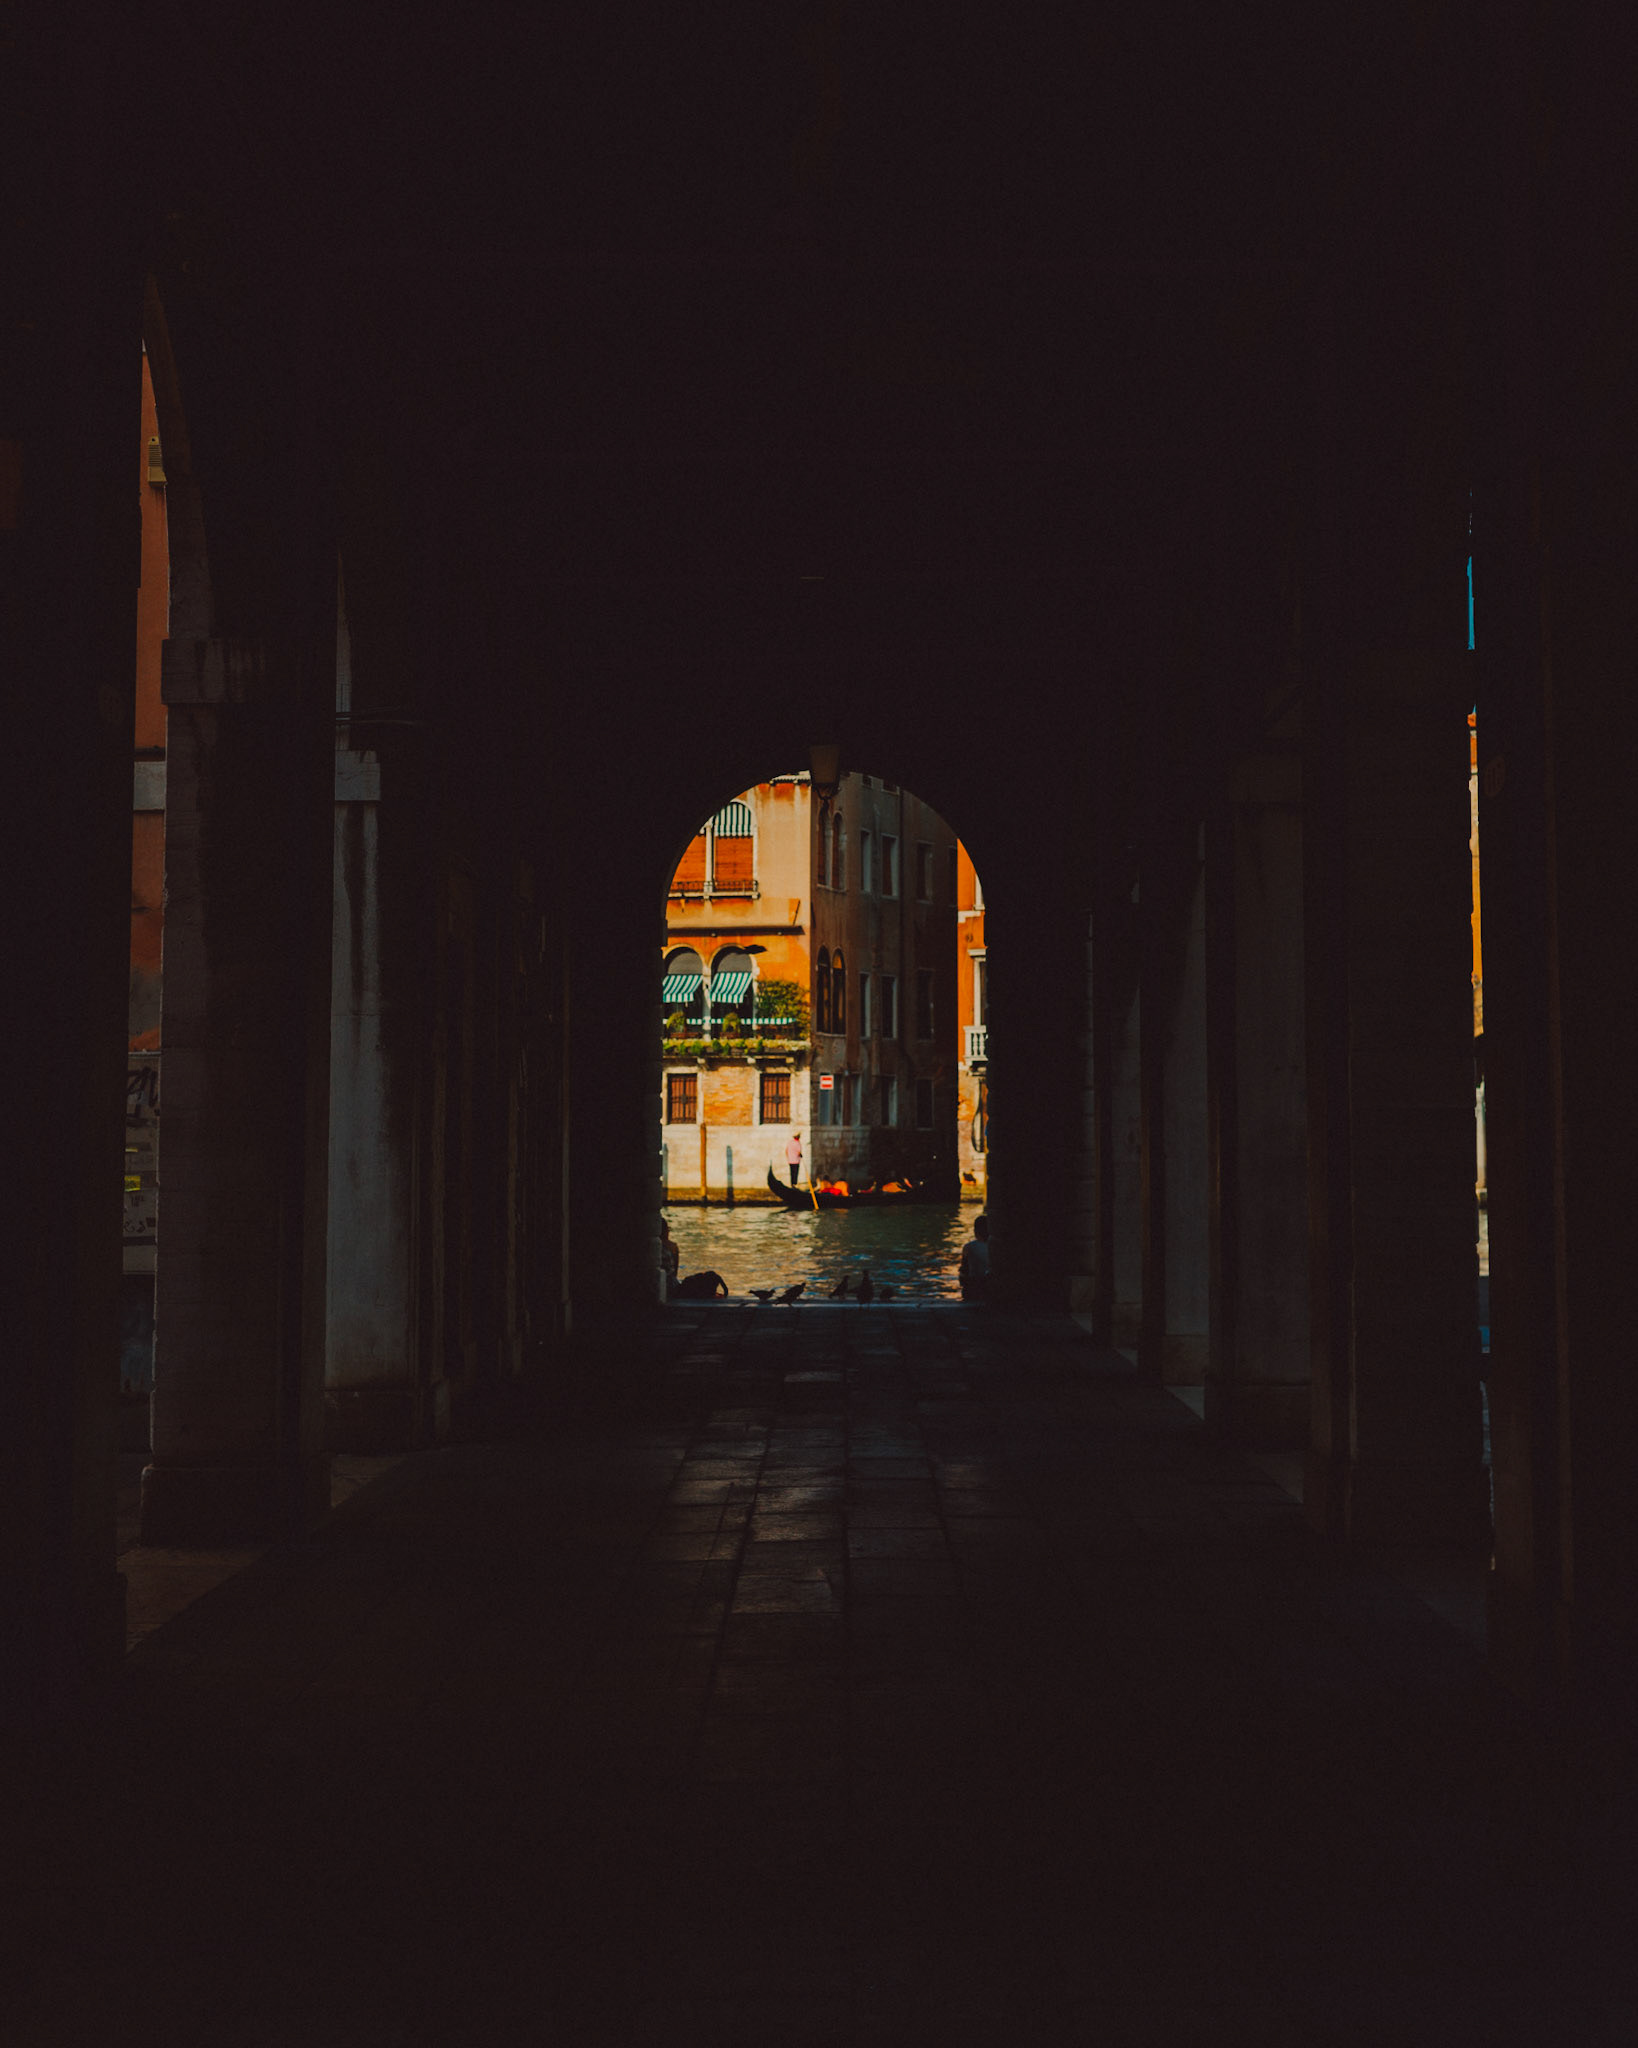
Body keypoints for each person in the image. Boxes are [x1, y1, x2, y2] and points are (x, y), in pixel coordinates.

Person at [959, 1212, 990, 1301]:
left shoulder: (969, 1247)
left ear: (975, 1231)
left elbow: (964, 1268)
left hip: (974, 1286)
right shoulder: (996, 1246)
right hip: (990, 1285)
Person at [658, 1216, 680, 1297]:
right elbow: (675, 1271)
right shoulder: (672, 1246)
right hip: (671, 1283)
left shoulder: (651, 1246)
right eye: (668, 1229)